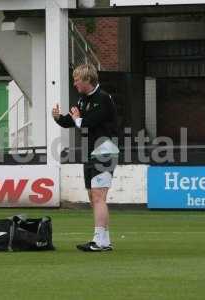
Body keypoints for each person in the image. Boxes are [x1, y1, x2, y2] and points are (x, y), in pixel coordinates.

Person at [52, 64, 119, 252]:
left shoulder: (103, 99)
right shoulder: (83, 100)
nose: (74, 84)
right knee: (93, 196)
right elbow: (72, 121)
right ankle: (104, 240)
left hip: (105, 150)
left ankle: (99, 241)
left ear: (87, 80)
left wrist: (76, 118)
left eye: (77, 80)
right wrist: (58, 118)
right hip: (91, 151)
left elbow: (86, 123)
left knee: (99, 196)